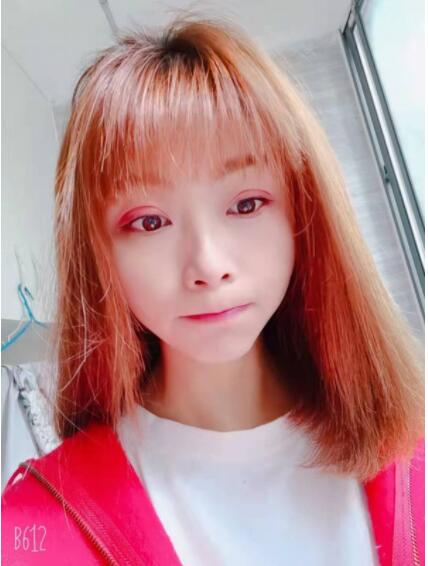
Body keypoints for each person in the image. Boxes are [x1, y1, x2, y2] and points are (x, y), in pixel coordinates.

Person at [2, 13, 424, 566]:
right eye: (149, 222)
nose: (208, 266)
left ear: (304, 212)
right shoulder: (32, 526)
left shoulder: (411, 454)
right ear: (99, 255)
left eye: (246, 204)